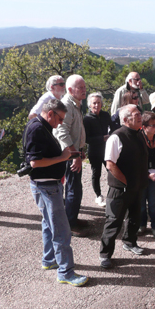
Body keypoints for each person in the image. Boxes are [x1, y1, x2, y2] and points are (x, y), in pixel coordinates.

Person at [24, 99, 88, 287]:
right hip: (47, 186)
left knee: (48, 223)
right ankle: (66, 272)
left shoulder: (39, 126)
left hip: (45, 185)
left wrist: (71, 156)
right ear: (50, 113)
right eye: (59, 119)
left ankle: (49, 259)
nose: (60, 123)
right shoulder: (37, 129)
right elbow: (35, 162)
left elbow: (46, 155)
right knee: (61, 229)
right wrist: (62, 158)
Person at [99, 105, 149, 269]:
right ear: (126, 119)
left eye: (139, 113)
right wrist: (126, 182)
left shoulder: (139, 133)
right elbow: (110, 164)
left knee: (135, 218)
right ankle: (105, 255)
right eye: (136, 114)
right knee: (113, 222)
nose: (140, 116)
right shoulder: (117, 137)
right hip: (120, 189)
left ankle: (129, 242)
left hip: (137, 187)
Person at [52, 74, 90, 237]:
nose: (84, 90)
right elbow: (61, 131)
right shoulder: (67, 105)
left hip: (74, 151)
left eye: (84, 86)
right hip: (69, 154)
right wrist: (75, 155)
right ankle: (70, 223)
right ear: (69, 90)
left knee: (75, 187)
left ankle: (72, 218)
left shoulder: (75, 103)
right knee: (74, 188)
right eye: (80, 87)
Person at [83, 92, 111, 207]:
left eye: (98, 103)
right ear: (90, 104)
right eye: (94, 103)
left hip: (107, 149)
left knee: (112, 170)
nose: (96, 105)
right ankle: (98, 196)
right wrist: (102, 138)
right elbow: (86, 139)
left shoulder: (106, 115)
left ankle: (113, 193)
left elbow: (112, 128)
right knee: (96, 173)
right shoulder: (87, 119)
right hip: (94, 150)